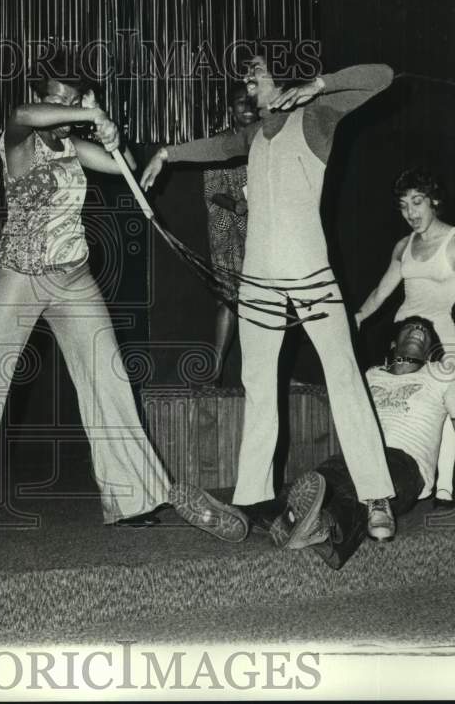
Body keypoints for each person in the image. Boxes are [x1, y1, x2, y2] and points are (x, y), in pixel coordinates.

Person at [0, 65, 247, 540]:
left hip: (73, 277)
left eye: (72, 98)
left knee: (108, 376)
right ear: (46, 98)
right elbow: (22, 112)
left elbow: (121, 165)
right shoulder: (19, 138)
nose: (63, 108)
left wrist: (111, 134)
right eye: (57, 99)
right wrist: (82, 111)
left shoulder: (72, 147)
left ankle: (133, 496)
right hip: (19, 277)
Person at [140, 55, 397, 540]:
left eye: (257, 71)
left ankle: (377, 497)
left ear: (281, 77)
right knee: (258, 386)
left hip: (311, 274)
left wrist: (318, 84)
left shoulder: (316, 118)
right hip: (259, 280)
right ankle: (251, 501)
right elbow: (218, 145)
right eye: (246, 77)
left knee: (343, 377)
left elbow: (382, 76)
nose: (249, 82)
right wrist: (167, 154)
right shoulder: (252, 137)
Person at [177, 316, 455, 569]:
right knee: (316, 486)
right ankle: (241, 517)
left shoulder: (443, 375)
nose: (419, 329)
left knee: (357, 495)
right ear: (393, 344)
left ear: (431, 348)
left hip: (405, 463)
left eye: (425, 331)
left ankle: (320, 526)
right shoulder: (370, 375)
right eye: (411, 326)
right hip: (355, 455)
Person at [354, 168, 455, 505]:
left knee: (449, 406)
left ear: (433, 200)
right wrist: (359, 316)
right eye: (404, 206)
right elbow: (381, 291)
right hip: (402, 334)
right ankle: (395, 474)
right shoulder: (403, 245)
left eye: (417, 202)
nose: (411, 213)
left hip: (440, 335)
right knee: (401, 404)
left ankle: (445, 485)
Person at [202, 84, 258, 384]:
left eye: (252, 101)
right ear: (230, 109)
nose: (247, 107)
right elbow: (212, 190)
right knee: (228, 300)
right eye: (240, 103)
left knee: (264, 304)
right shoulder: (220, 143)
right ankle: (214, 374)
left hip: (263, 232)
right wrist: (239, 205)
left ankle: (266, 376)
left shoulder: (267, 139)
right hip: (227, 233)